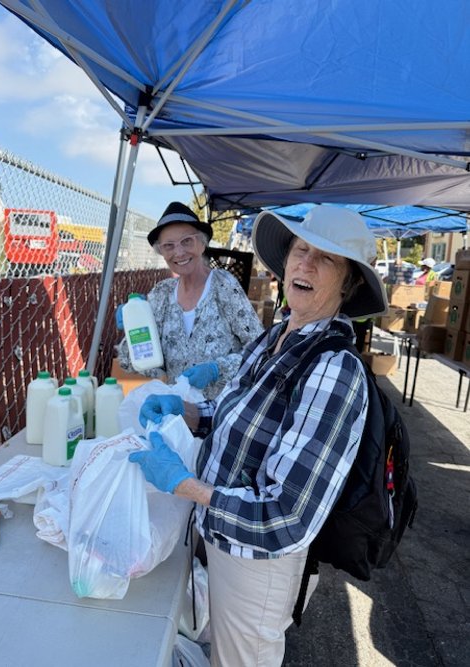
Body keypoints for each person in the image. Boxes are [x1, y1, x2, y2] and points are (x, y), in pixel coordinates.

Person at [129, 206, 389, 666]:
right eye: (300, 250)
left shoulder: (333, 368)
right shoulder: (276, 337)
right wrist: (188, 411)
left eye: (326, 259)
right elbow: (240, 418)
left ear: (348, 285)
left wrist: (184, 485)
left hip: (257, 559)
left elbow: (286, 515)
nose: (305, 264)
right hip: (223, 535)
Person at [116, 202, 263, 399]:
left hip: (221, 410)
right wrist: (132, 329)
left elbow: (261, 349)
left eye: (187, 241)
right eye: (169, 246)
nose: (179, 252)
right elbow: (133, 362)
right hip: (178, 410)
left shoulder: (223, 285)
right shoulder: (161, 294)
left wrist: (217, 369)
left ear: (202, 244)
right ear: (162, 252)